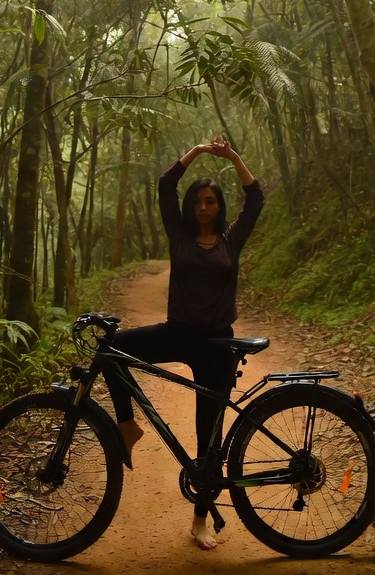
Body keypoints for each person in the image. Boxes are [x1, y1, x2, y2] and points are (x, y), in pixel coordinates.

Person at [103, 137, 264, 550]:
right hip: (178, 332)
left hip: (217, 345)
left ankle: (200, 521)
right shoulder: (178, 234)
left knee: (207, 440)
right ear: (191, 208)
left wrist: (232, 157)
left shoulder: (231, 240)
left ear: (218, 206)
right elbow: (164, 186)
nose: (204, 207)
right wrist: (193, 150)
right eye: (198, 202)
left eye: (210, 201)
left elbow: (255, 198)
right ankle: (126, 426)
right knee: (112, 349)